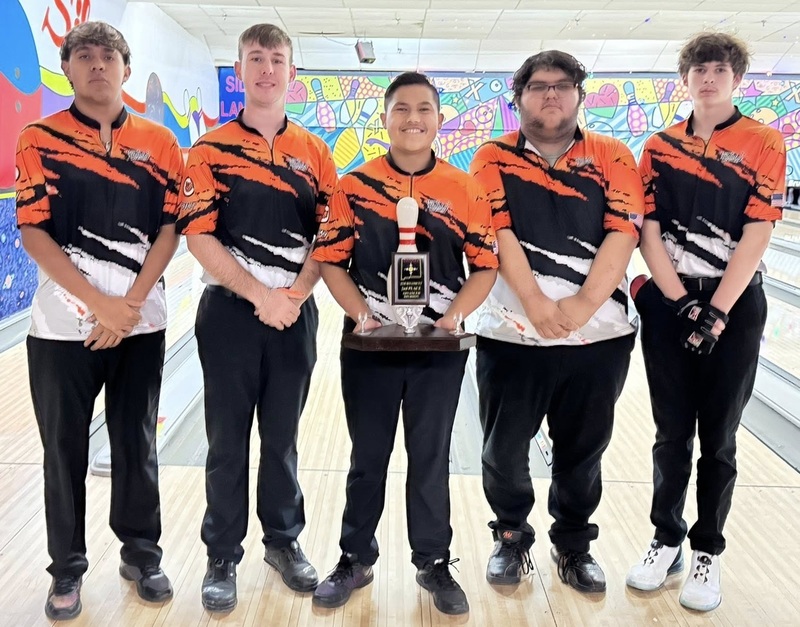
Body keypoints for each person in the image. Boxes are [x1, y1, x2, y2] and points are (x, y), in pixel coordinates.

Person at [310, 72, 498, 616]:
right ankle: (354, 557)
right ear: (386, 118)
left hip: (437, 352)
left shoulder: (465, 190)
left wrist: (453, 319)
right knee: (367, 457)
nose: (413, 118)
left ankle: (433, 561)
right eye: (402, 109)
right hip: (369, 348)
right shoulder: (354, 185)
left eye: (424, 109)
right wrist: (362, 315)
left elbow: (483, 268)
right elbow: (330, 261)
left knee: (430, 456)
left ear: (439, 120)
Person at [15, 20, 182, 621]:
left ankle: (141, 554)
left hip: (142, 322)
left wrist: (128, 306)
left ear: (126, 69)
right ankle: (66, 570)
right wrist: (99, 304)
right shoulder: (38, 138)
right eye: (83, 56)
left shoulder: (160, 143)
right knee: (63, 453)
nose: (97, 65)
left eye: (108, 56)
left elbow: (169, 230)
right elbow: (33, 231)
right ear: (68, 69)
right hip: (62, 328)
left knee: (137, 444)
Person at [176, 23, 338, 613]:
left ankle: (283, 541)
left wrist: (293, 294)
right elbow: (198, 236)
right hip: (228, 314)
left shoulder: (315, 152)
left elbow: (331, 237)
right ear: (239, 72)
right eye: (255, 58)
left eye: (277, 59)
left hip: (297, 310)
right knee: (225, 439)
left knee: (282, 438)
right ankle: (222, 553)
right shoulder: (210, 150)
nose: (266, 68)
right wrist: (259, 296)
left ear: (292, 73)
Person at [469, 50, 643, 594]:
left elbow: (624, 231)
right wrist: (537, 304)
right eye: (539, 86)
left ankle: (573, 544)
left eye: (563, 85)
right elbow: (497, 232)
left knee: (583, 449)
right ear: (518, 96)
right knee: (503, 448)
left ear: (579, 96)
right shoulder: (491, 156)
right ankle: (511, 537)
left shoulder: (613, 154)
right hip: (511, 331)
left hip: (600, 336)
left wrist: (582, 305)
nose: (551, 94)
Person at [625, 33, 785, 612]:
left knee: (718, 438)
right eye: (699, 68)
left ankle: (706, 550)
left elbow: (759, 228)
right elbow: (647, 228)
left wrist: (718, 308)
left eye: (720, 69)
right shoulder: (658, 145)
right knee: (671, 434)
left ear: (736, 78)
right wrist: (680, 303)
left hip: (736, 306)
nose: (709, 77)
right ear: (685, 79)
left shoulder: (763, 141)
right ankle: (664, 538)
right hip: (673, 306)